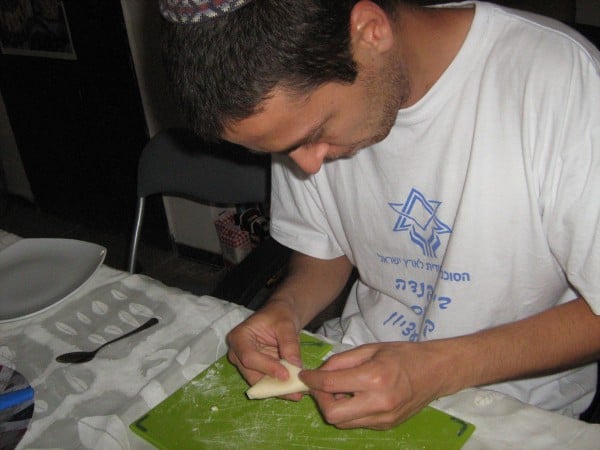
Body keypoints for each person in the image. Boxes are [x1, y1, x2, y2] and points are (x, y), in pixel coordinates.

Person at [159, 0, 600, 429]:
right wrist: (285, 309)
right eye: (284, 149)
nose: (308, 166)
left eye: (314, 134)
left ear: (371, 30)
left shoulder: (560, 81)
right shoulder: (297, 112)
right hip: (354, 362)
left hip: (511, 405)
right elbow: (324, 253)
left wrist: (439, 369)